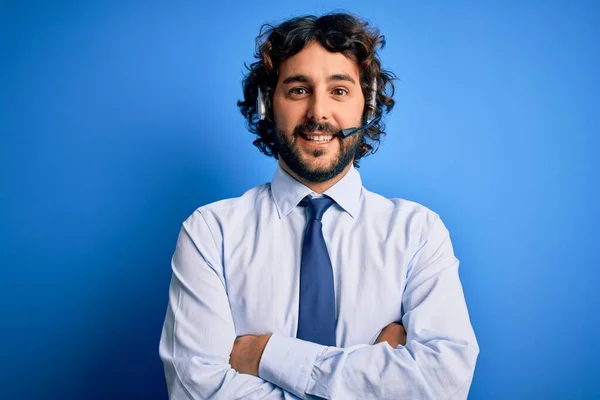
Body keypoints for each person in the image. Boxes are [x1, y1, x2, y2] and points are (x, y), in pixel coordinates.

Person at [159, 12, 479, 399]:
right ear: (266, 104)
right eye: (298, 90)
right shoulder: (211, 233)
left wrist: (264, 354)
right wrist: (376, 370)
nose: (318, 113)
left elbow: (443, 384)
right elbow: (198, 392)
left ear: (368, 104)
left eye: (339, 91)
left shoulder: (418, 234)